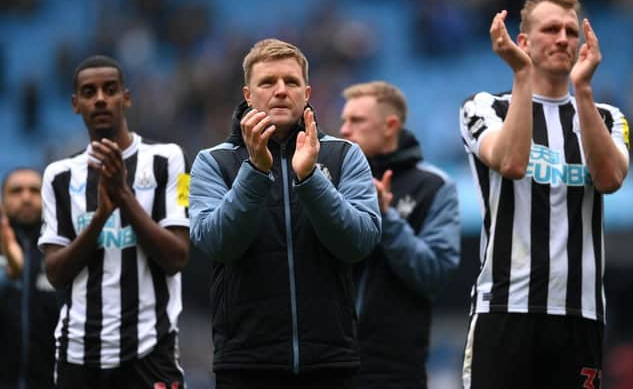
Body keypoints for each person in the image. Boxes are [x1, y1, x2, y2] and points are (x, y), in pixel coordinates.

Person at [459, 0, 630, 389]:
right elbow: (512, 162)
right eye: (551, 29)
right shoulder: (484, 108)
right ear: (523, 42)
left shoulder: (607, 116)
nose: (563, 39)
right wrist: (522, 76)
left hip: (580, 313)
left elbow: (609, 180)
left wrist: (583, 91)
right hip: (504, 309)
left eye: (572, 31)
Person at [189, 38, 381, 389]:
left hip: (331, 363)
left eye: (291, 82)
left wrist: (309, 178)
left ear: (307, 93)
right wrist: (255, 171)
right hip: (245, 364)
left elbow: (360, 242)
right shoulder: (211, 162)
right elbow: (216, 243)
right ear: (248, 95)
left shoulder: (344, 156)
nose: (280, 91)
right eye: (267, 83)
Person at [38, 55, 191, 389]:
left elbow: (177, 256)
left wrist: (124, 197)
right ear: (75, 104)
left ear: (127, 97)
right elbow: (55, 272)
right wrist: (101, 218)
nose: (101, 99)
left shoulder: (172, 160)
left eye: (110, 89)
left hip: (152, 351)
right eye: (89, 92)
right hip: (79, 354)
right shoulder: (57, 177)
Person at [340, 81, 461, 389]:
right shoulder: (330, 182)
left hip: (394, 369)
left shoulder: (433, 186)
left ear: (390, 126)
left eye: (356, 121)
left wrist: (386, 217)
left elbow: (433, 272)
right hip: (328, 364)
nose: (344, 130)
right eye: (344, 120)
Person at [0, 168, 60, 389]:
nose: (26, 198)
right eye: (16, 191)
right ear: (2, 201)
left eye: (35, 191)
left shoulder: (62, 249)